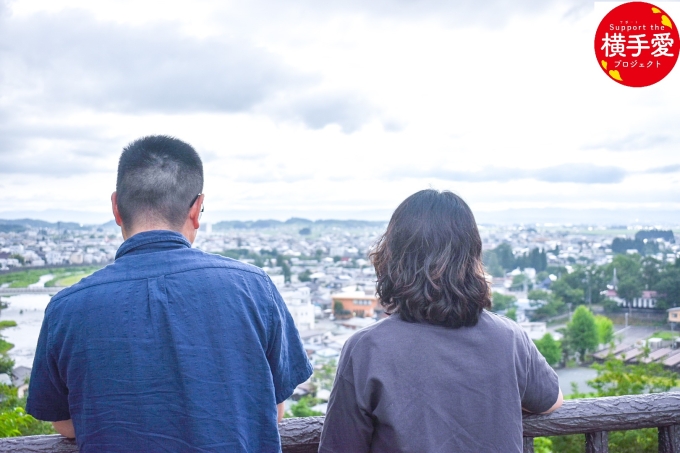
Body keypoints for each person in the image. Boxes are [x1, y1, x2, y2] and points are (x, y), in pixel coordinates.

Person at [26, 135, 312, 452]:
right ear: (197, 209)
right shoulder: (255, 287)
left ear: (116, 207)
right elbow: (273, 410)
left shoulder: (66, 309)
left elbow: (64, 424)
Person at [318, 189, 562, 453]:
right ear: (471, 258)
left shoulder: (367, 348)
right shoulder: (510, 338)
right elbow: (550, 401)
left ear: (393, 258)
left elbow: (340, 445)